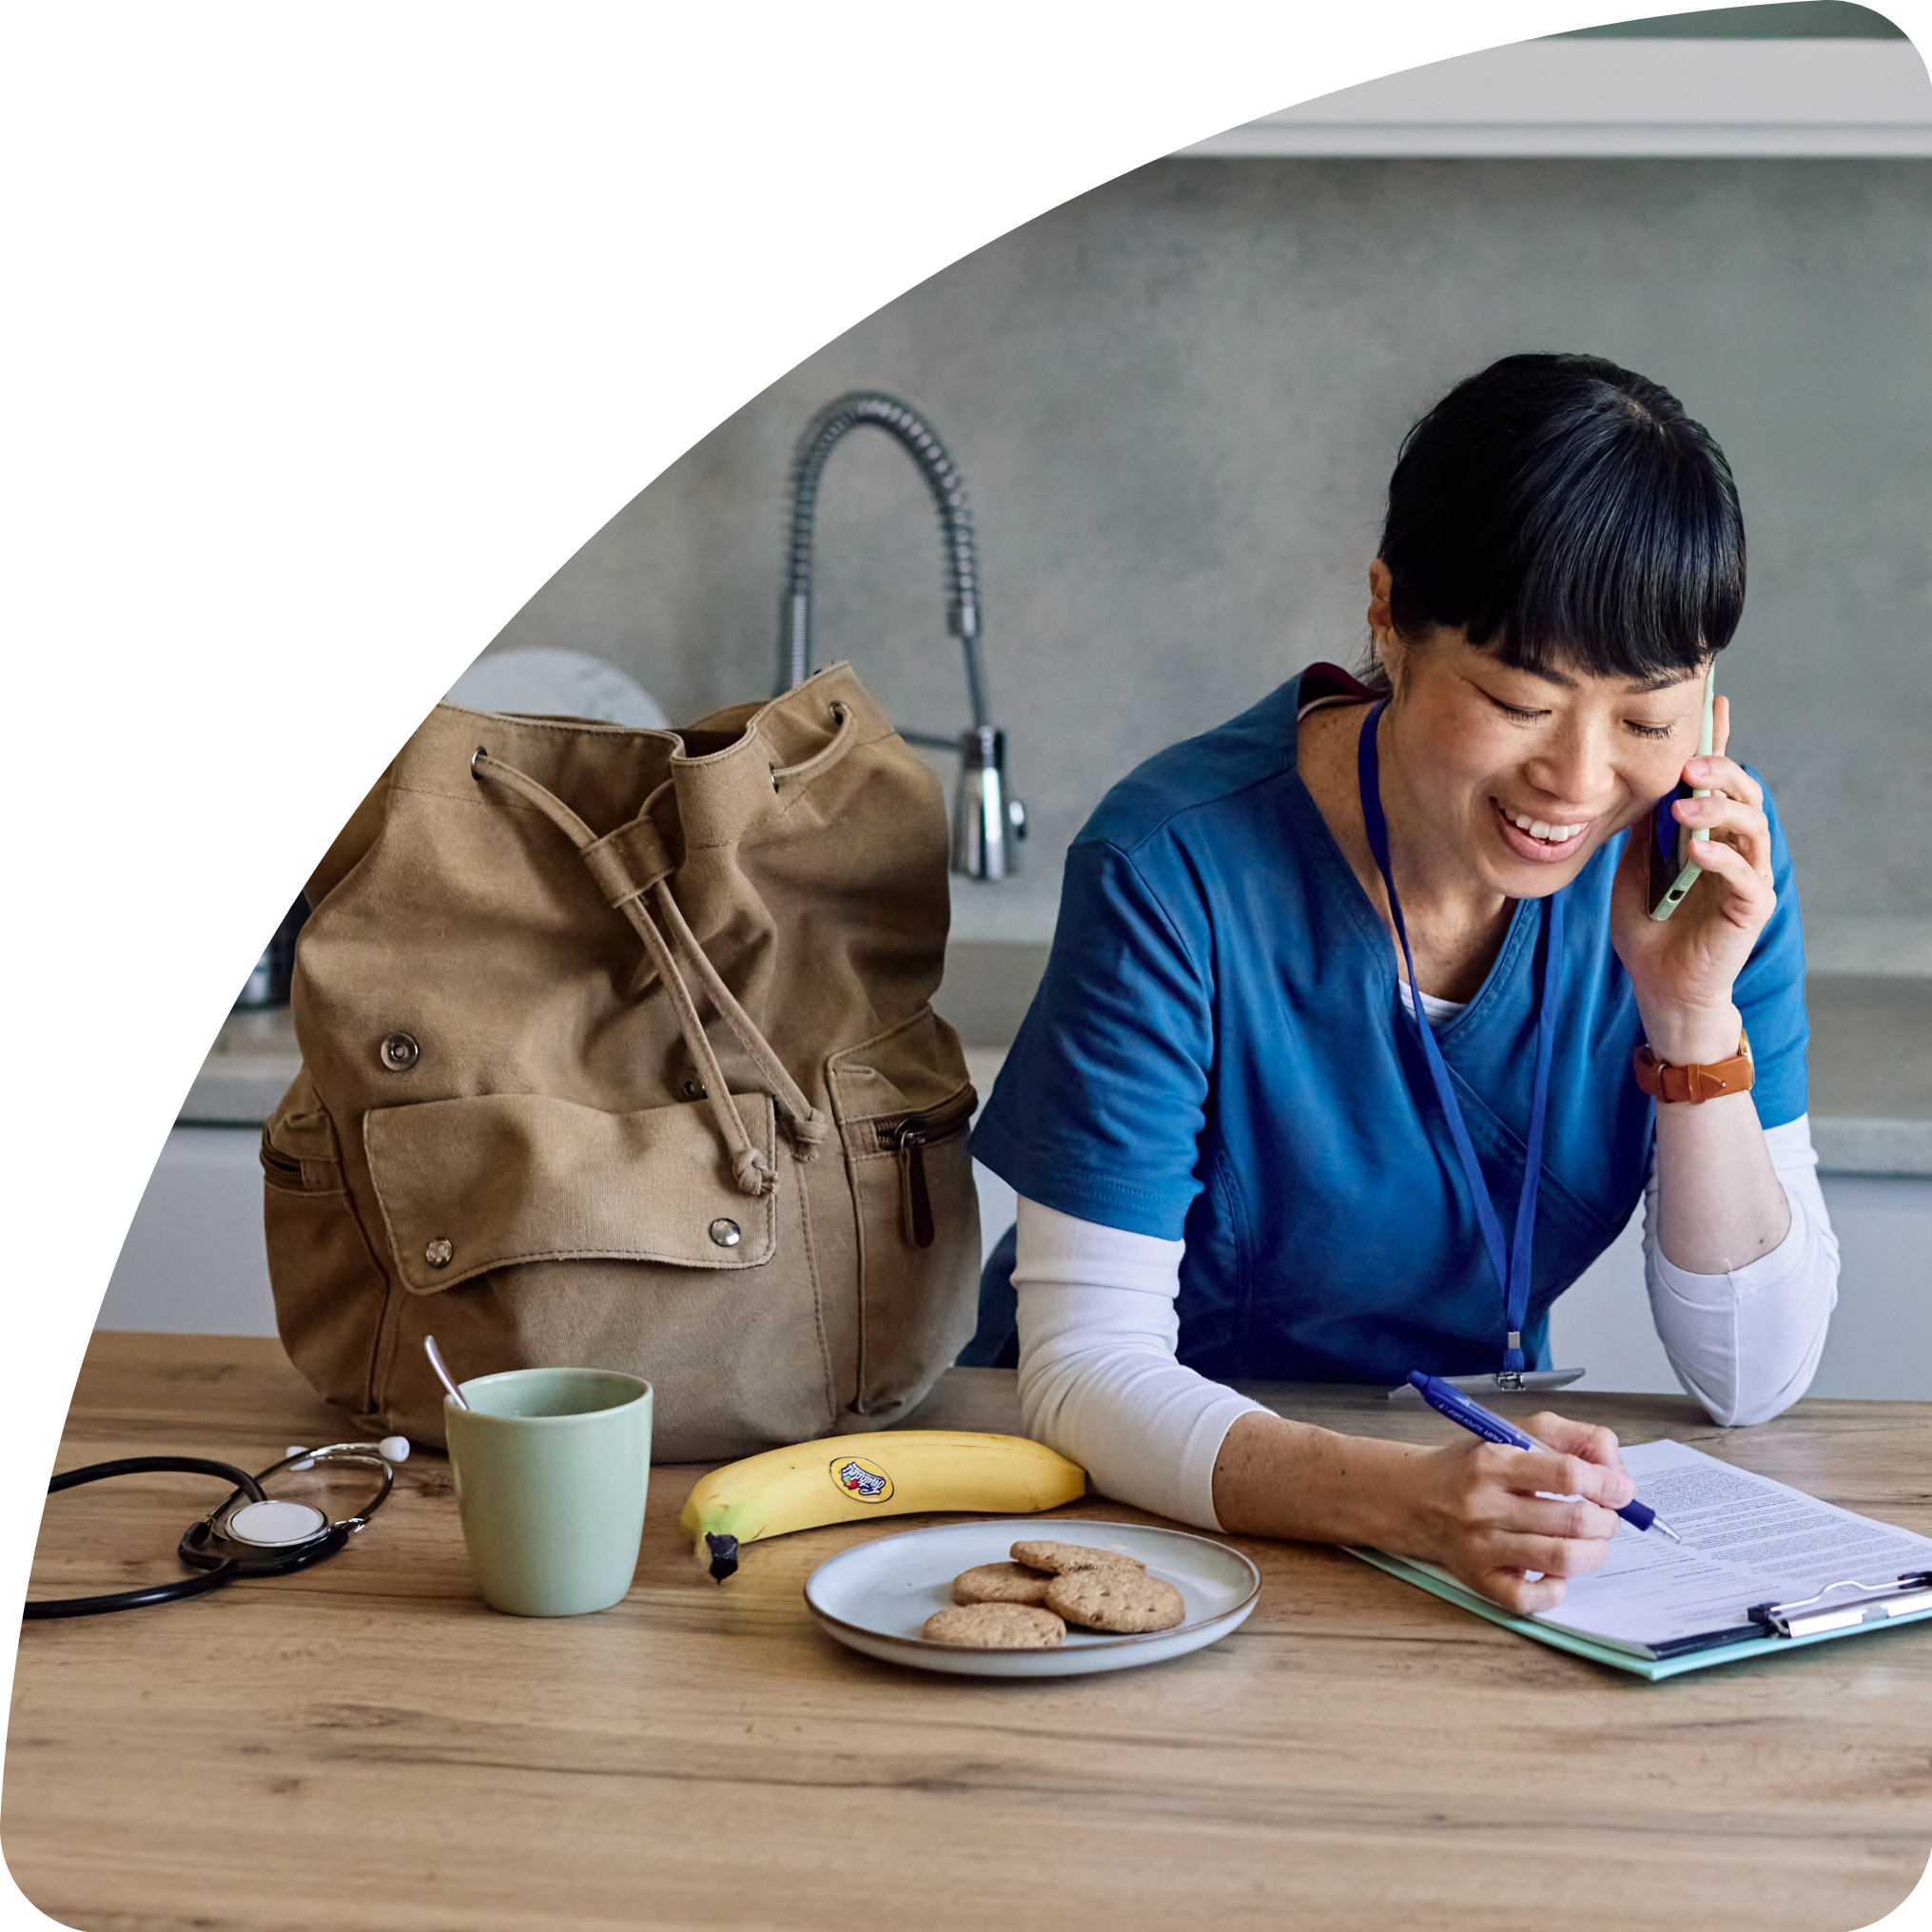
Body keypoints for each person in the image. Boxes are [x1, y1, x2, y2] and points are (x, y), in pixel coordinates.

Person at [966, 353, 1837, 1616]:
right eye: (1516, 701)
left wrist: (1687, 1011)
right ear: (1385, 613)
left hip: (1459, 1539)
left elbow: (1750, 1379)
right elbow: (1081, 1366)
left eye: (1646, 722)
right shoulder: (1174, 867)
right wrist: (1397, 1498)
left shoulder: (1699, 875)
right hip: (1150, 1518)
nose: (1577, 780)